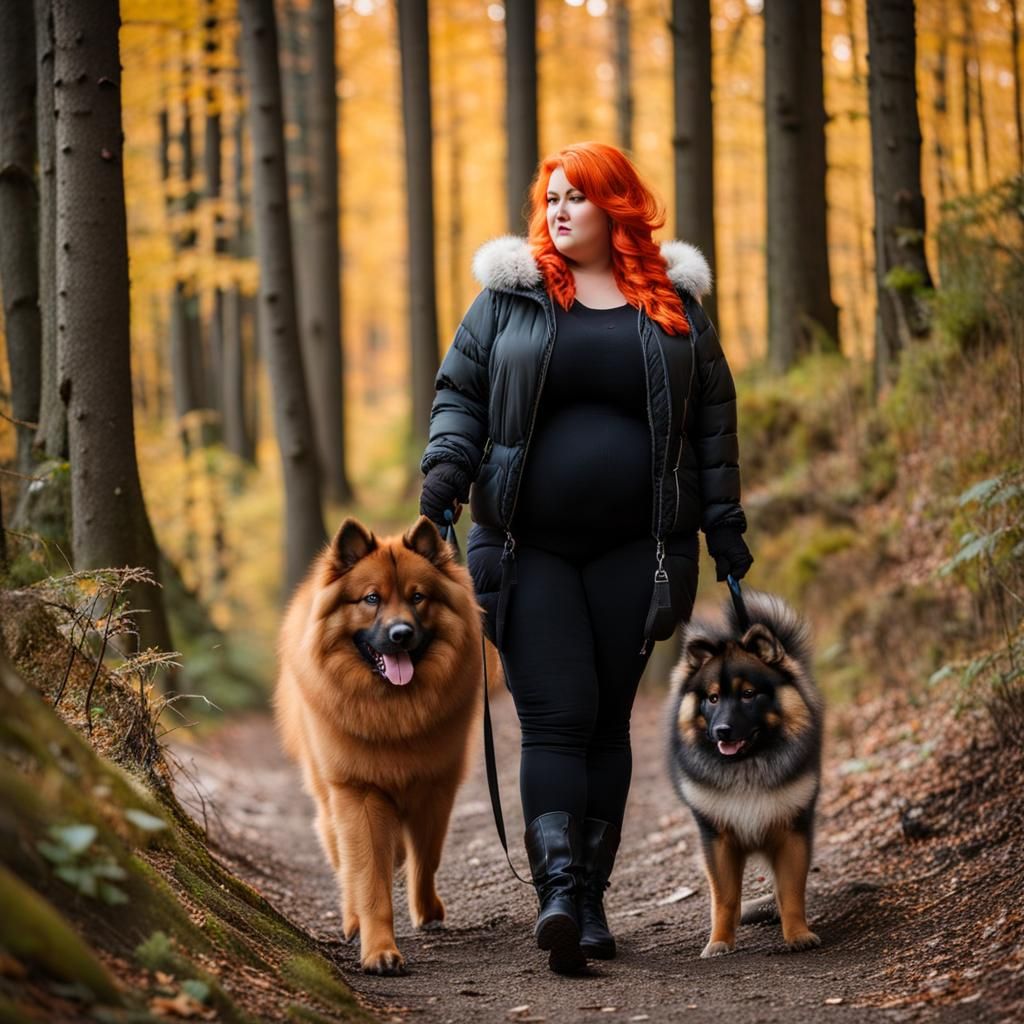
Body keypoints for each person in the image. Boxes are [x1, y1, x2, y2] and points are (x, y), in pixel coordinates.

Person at [419, 141, 752, 975]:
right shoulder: (508, 299)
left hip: (641, 551)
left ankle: (592, 902)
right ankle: (560, 894)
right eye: (552, 197)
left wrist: (724, 525)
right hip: (526, 547)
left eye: (577, 196)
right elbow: (460, 393)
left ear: (617, 206)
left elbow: (712, 422)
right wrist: (445, 472)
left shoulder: (675, 306)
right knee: (556, 717)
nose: (560, 210)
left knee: (606, 722)